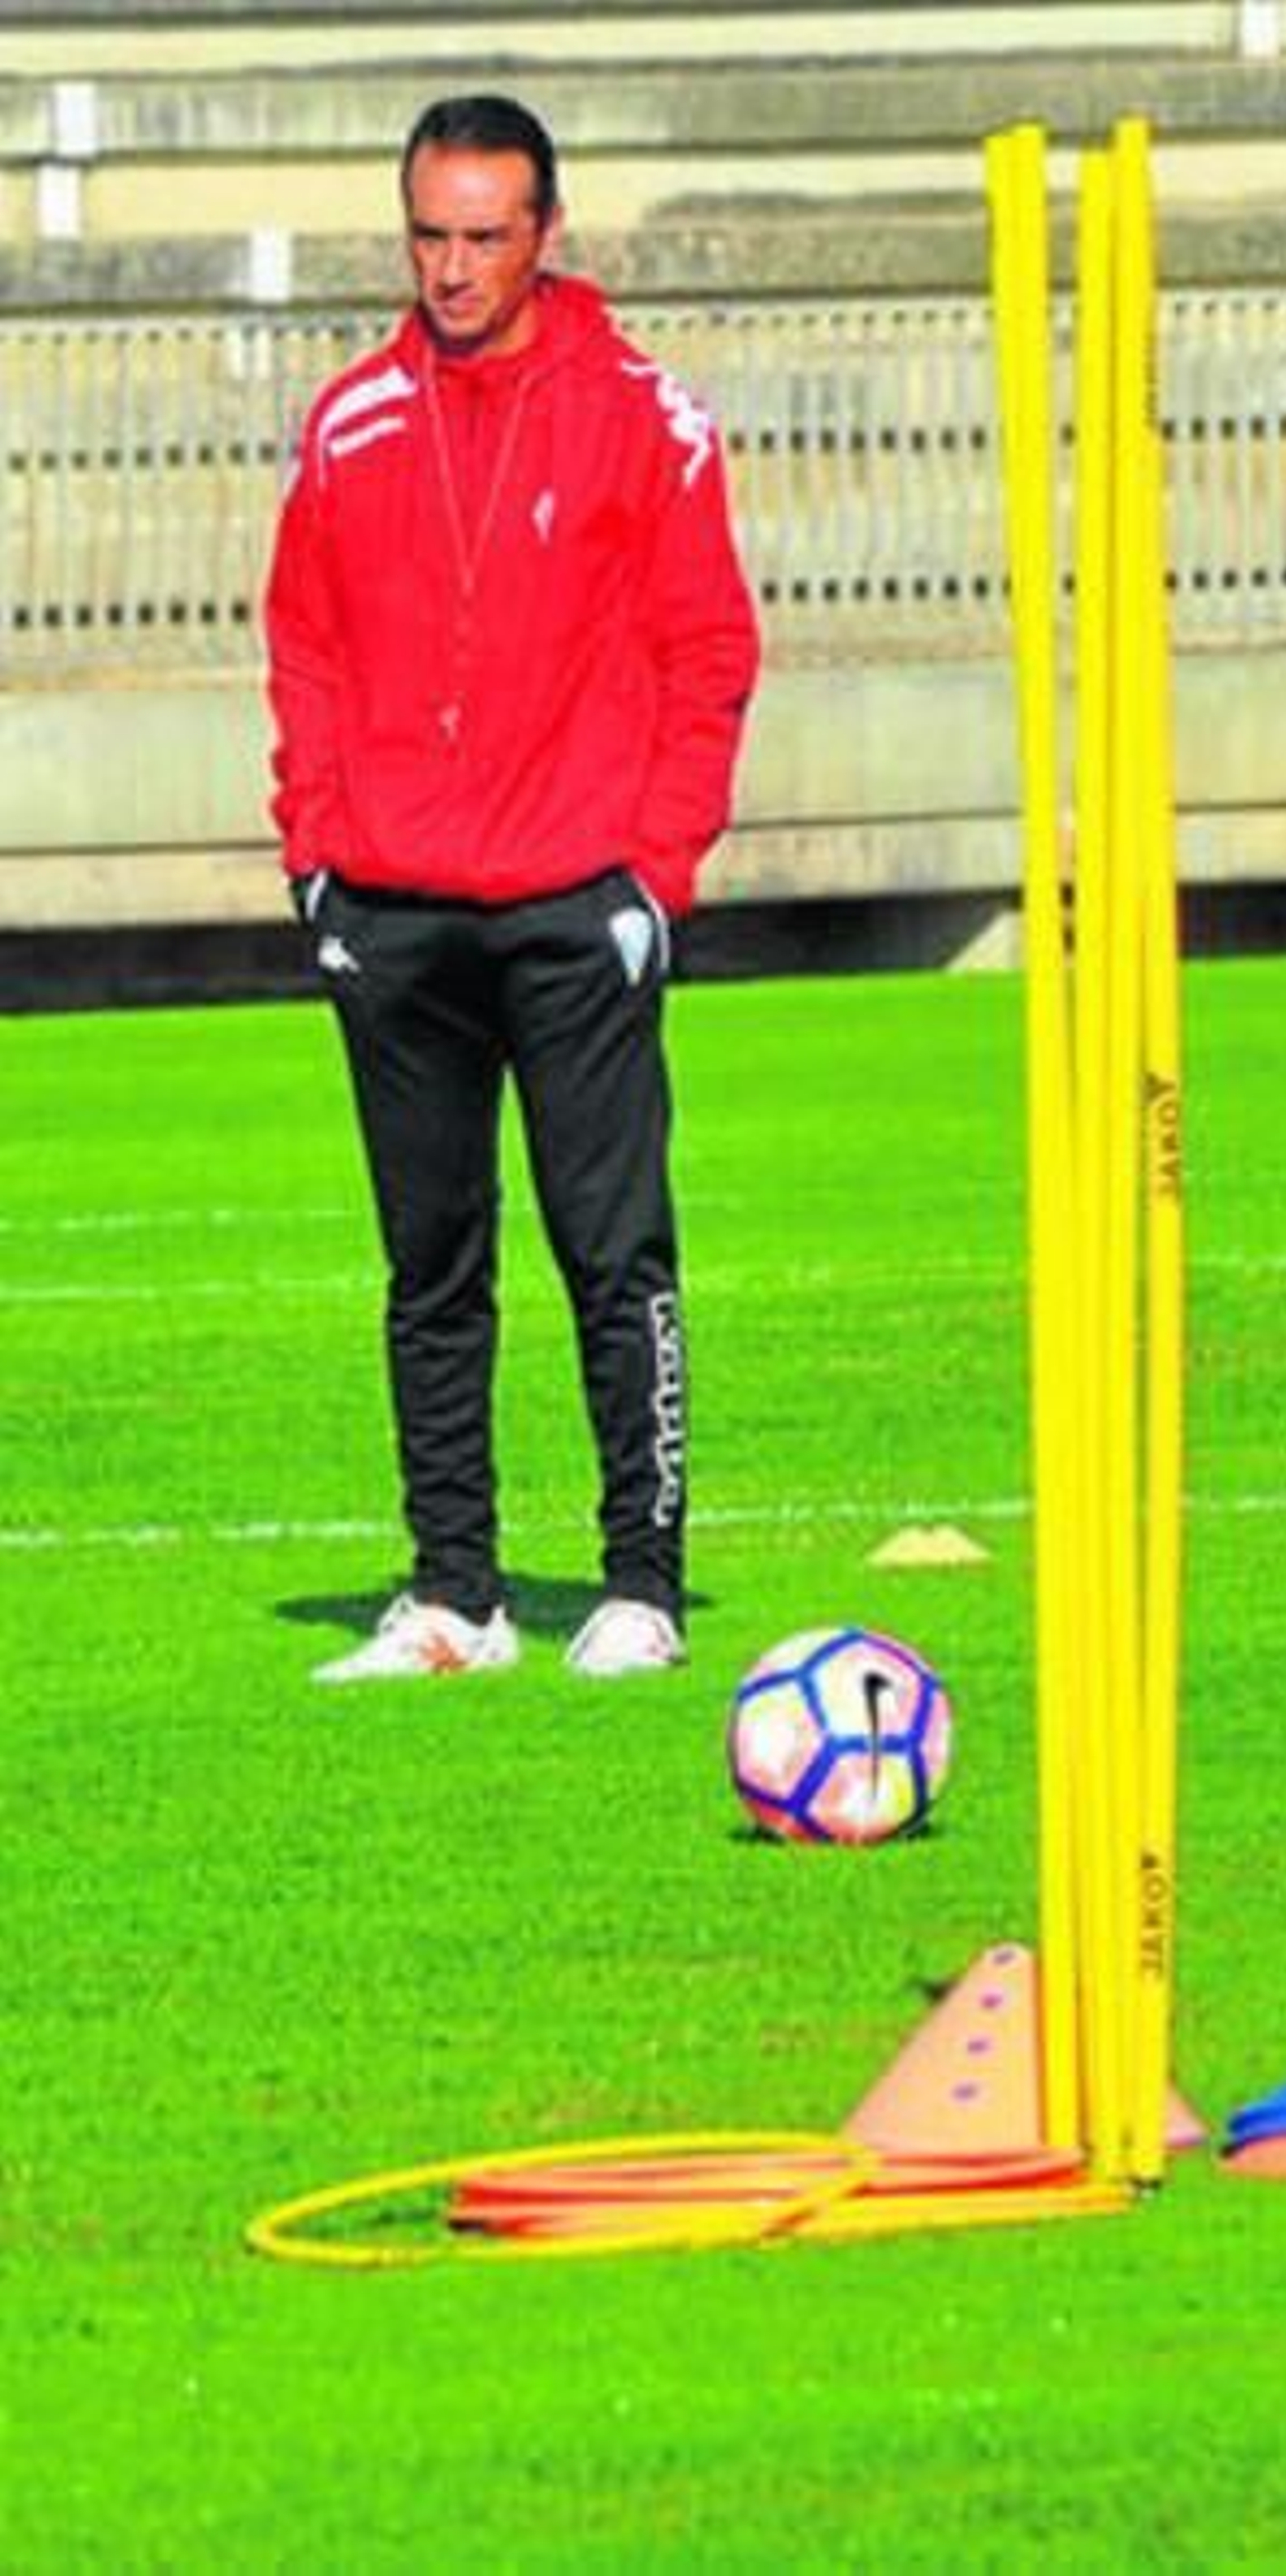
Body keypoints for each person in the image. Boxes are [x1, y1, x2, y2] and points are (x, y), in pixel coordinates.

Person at [264, 93, 760, 1683]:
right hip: (392, 908)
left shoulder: (647, 417)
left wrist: (655, 876)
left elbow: (710, 653)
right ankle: (454, 1592)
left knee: (614, 1250)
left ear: (549, 231)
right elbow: (306, 649)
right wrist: (318, 863)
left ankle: (644, 1583)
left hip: (576, 901)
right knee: (431, 1262)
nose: (455, 266)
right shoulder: (348, 424)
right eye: (429, 233)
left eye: (486, 235)